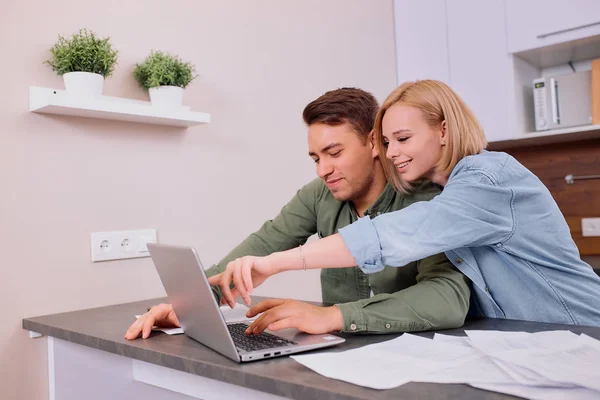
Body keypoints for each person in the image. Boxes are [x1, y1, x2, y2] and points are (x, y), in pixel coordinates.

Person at [212, 80, 600, 328]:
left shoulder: (487, 179)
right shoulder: (442, 187)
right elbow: (266, 238)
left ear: (443, 130)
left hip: (580, 330)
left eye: (402, 139)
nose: (391, 152)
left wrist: (276, 265)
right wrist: (194, 300)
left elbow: (399, 232)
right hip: (524, 338)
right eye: (387, 141)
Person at [125, 87, 471, 340]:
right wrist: (185, 306)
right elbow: (262, 245)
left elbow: (447, 297)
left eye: (334, 152)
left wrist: (332, 316)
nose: (323, 170)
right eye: (316, 158)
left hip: (416, 351)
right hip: (340, 351)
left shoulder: (426, 198)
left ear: (373, 142)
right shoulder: (320, 194)